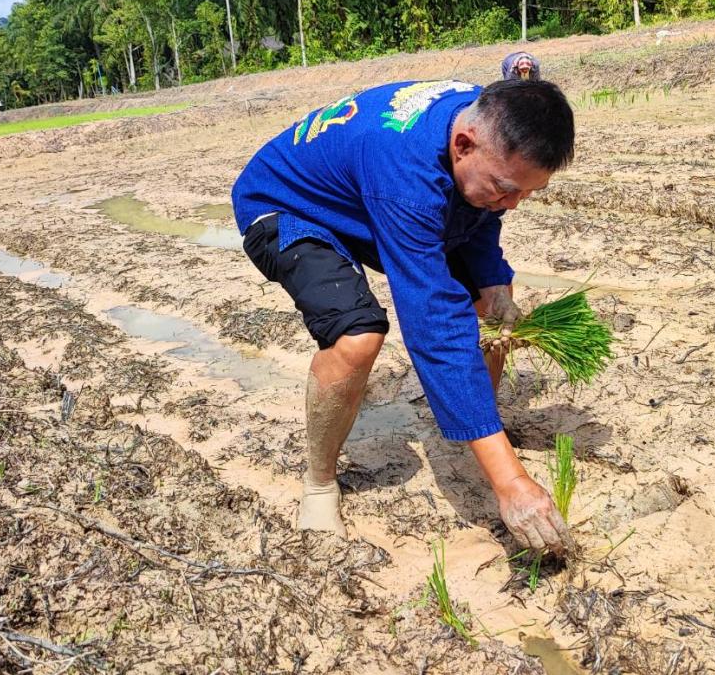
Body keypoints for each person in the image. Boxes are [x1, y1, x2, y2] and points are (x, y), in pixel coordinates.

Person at [231, 79, 575, 554]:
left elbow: (475, 213)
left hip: (362, 195)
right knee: (357, 337)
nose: (512, 204)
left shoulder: (487, 117)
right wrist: (511, 484)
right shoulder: (407, 175)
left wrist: (493, 279)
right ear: (462, 145)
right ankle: (319, 484)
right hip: (288, 205)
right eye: (505, 189)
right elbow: (434, 327)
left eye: (526, 194)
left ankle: (478, 421)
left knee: (492, 301)